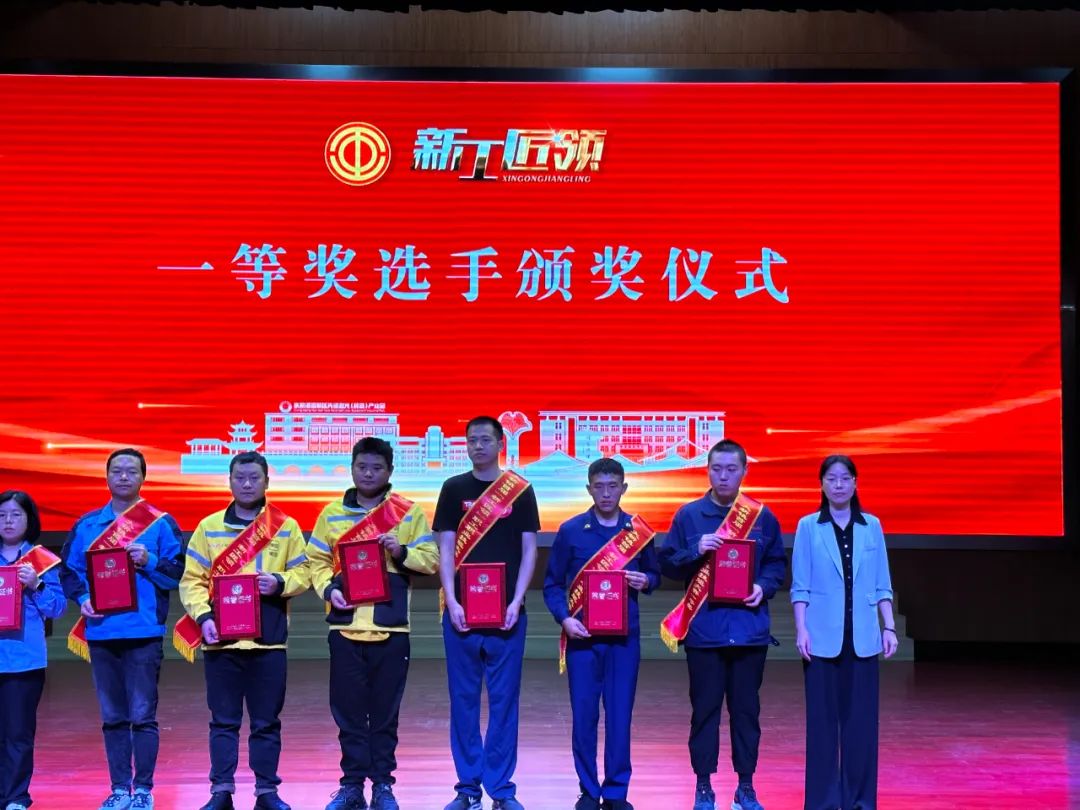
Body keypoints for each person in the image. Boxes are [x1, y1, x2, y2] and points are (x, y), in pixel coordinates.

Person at [306, 437, 439, 810]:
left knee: (385, 715)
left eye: (377, 468)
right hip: (345, 628)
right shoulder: (331, 514)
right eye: (362, 467)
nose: (368, 474)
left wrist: (401, 551)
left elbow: (430, 559)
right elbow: (316, 561)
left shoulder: (408, 513)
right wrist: (328, 589)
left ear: (390, 471)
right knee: (348, 714)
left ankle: (382, 785)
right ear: (351, 468)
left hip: (392, 629)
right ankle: (351, 786)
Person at [658, 439, 786, 810]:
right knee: (704, 712)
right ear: (707, 470)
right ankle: (703, 786)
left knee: (746, 713)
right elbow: (667, 565)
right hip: (705, 632)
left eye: (731, 469)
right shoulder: (688, 516)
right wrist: (695, 550)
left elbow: (776, 563)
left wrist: (763, 586)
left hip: (749, 632)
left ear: (744, 471)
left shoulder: (762, 516)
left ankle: (746, 787)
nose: (724, 476)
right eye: (717, 469)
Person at [179, 451, 310, 810]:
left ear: (267, 481)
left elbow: (305, 573)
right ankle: (221, 791)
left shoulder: (286, 527)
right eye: (240, 478)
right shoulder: (208, 527)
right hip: (221, 643)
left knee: (266, 722)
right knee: (223, 722)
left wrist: (279, 582)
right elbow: (191, 581)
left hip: (268, 643)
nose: (247, 484)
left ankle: (267, 792)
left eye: (254, 478)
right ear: (230, 481)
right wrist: (204, 617)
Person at [60, 448, 184, 810]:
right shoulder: (86, 525)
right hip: (102, 632)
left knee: (143, 716)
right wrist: (83, 597)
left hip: (144, 633)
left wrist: (150, 560)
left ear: (143, 477)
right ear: (107, 476)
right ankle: (118, 789)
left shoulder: (160, 523)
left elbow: (177, 573)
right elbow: (69, 572)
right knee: (113, 717)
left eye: (132, 471)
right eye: (117, 470)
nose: (124, 476)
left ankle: (143, 790)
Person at [434, 416, 540, 810]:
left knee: (504, 704)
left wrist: (516, 600)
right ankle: (467, 789)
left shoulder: (519, 490)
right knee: (463, 703)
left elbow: (529, 550)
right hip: (460, 615)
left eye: (484, 440)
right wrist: (452, 600)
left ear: (499, 444)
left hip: (508, 616)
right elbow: (446, 549)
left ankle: (501, 789)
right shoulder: (453, 488)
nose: (477, 446)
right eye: (471, 440)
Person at [543, 458, 661, 810]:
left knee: (620, 717)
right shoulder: (571, 530)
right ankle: (588, 790)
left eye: (613, 487)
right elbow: (552, 584)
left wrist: (647, 580)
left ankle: (615, 791)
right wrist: (564, 619)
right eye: (599, 487)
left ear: (624, 488)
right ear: (589, 489)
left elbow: (655, 575)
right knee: (584, 717)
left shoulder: (638, 532)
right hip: (583, 640)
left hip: (624, 641)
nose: (606, 493)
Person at [791, 455, 897, 810]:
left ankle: (860, 801)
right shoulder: (808, 526)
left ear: (855, 483)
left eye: (845, 478)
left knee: (862, 726)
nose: (838, 485)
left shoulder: (872, 525)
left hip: (863, 638)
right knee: (822, 727)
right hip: (821, 639)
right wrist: (801, 629)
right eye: (831, 478)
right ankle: (822, 801)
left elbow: (882, 583)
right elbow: (800, 586)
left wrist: (889, 626)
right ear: (822, 484)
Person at [0, 490, 65, 810]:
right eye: (1, 515)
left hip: (23, 661)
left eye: (16, 515)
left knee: (18, 733)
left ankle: (15, 797)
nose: (8, 521)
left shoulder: (40, 561)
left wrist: (36, 585)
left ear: (29, 520)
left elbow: (58, 609)